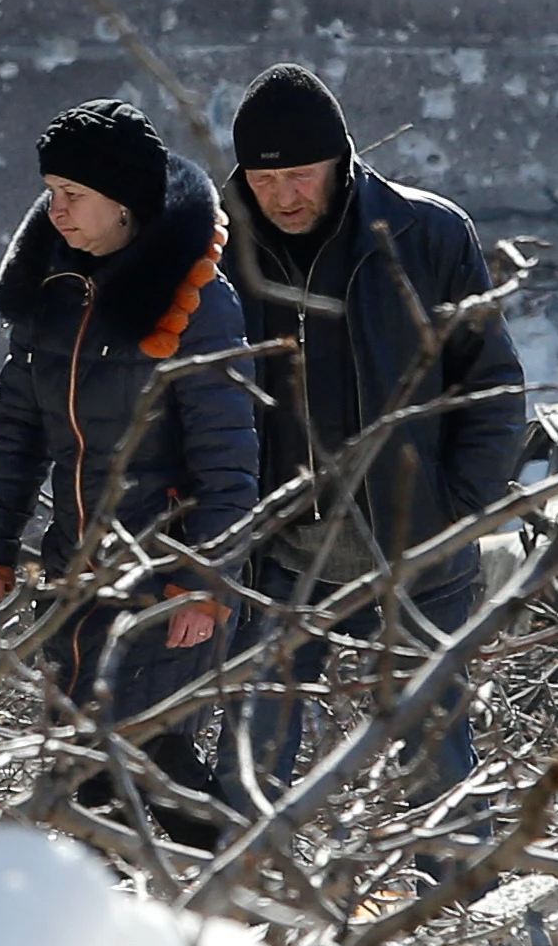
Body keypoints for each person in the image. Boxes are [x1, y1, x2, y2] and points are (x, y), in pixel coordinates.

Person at [219, 63, 528, 787]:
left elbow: (490, 383)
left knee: (440, 766)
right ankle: (238, 900)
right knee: (249, 765)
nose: (283, 197)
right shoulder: (219, 248)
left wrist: (461, 510)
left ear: (340, 158)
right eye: (264, 182)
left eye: (300, 175)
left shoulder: (428, 233)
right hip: (279, 559)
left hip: (417, 549)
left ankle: (452, 900)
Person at [0, 100, 258, 822]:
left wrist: (206, 583)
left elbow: (229, 461)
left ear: (124, 204)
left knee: (143, 755)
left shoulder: (195, 302)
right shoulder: (50, 295)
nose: (55, 211)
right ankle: (150, 919)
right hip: (73, 577)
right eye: (52, 193)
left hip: (165, 579)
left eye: (74, 196)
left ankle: (236, 903)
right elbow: (16, 438)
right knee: (87, 769)